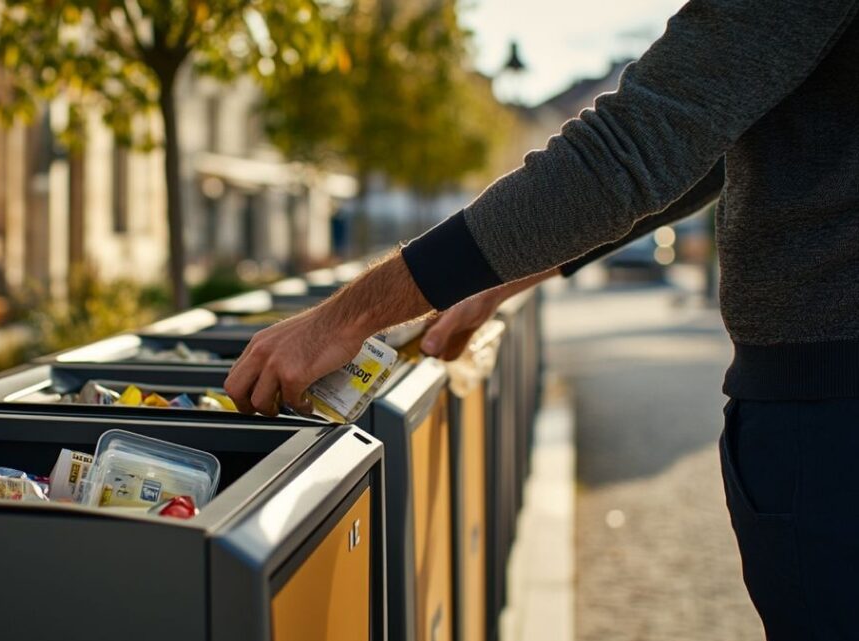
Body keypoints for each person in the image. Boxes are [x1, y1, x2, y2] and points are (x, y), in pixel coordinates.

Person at [224, 1, 859, 638]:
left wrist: (339, 321)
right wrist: (496, 282)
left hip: (829, 410)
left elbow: (626, 150)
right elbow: (705, 152)